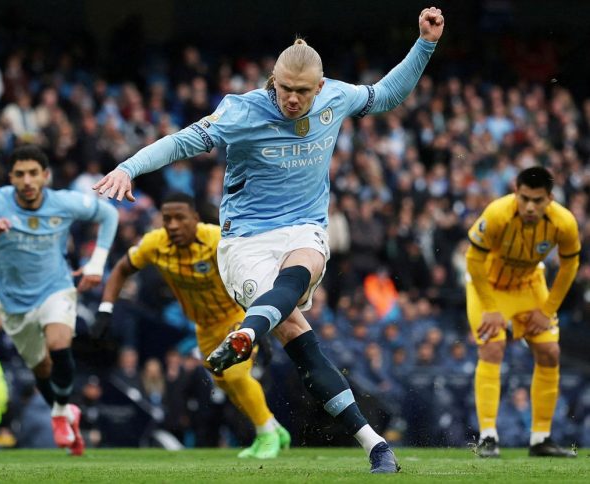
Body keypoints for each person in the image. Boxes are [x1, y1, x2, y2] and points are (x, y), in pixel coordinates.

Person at [94, 7, 445, 473]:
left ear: (319, 88)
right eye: (285, 90)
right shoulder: (241, 111)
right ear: (271, 81)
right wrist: (127, 167)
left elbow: (386, 95)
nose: (293, 100)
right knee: (300, 338)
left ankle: (368, 439)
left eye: (303, 92)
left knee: (303, 271)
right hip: (244, 242)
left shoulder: (335, 97)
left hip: (303, 228)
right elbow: (180, 141)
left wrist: (425, 43)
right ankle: (371, 441)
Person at [0, 145, 118, 456]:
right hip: (13, 302)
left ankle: (59, 412)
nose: (27, 180)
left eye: (32, 173)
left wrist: (96, 263)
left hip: (56, 287)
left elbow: (109, 213)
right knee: (41, 367)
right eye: (19, 174)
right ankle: (67, 412)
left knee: (59, 344)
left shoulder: (63, 202)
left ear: (45, 176)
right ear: (10, 178)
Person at [96, 192, 291, 458]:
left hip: (235, 318)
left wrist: (261, 324)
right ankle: (274, 426)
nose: (173, 225)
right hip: (203, 327)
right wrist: (106, 308)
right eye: (167, 219)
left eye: (180, 218)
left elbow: (252, 275)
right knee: (225, 383)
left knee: (235, 375)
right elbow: (121, 268)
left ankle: (266, 434)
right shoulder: (155, 244)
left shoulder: (216, 239)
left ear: (195, 218)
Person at [465, 166, 578, 458]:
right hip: (488, 287)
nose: (530, 206)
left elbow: (570, 266)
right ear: (516, 191)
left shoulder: (564, 222)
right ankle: (488, 437)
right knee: (493, 348)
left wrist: (548, 310)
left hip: (529, 286)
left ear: (550, 198)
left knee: (550, 352)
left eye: (537, 200)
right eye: (525, 198)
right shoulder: (496, 213)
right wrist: (490, 309)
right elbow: (473, 260)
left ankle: (541, 439)